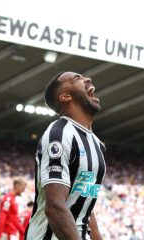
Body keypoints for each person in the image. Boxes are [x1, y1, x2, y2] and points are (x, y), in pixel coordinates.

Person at [25, 72, 106, 240]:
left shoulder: (97, 144)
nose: (88, 79)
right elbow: (54, 207)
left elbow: (85, 203)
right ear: (65, 96)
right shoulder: (59, 134)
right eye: (77, 78)